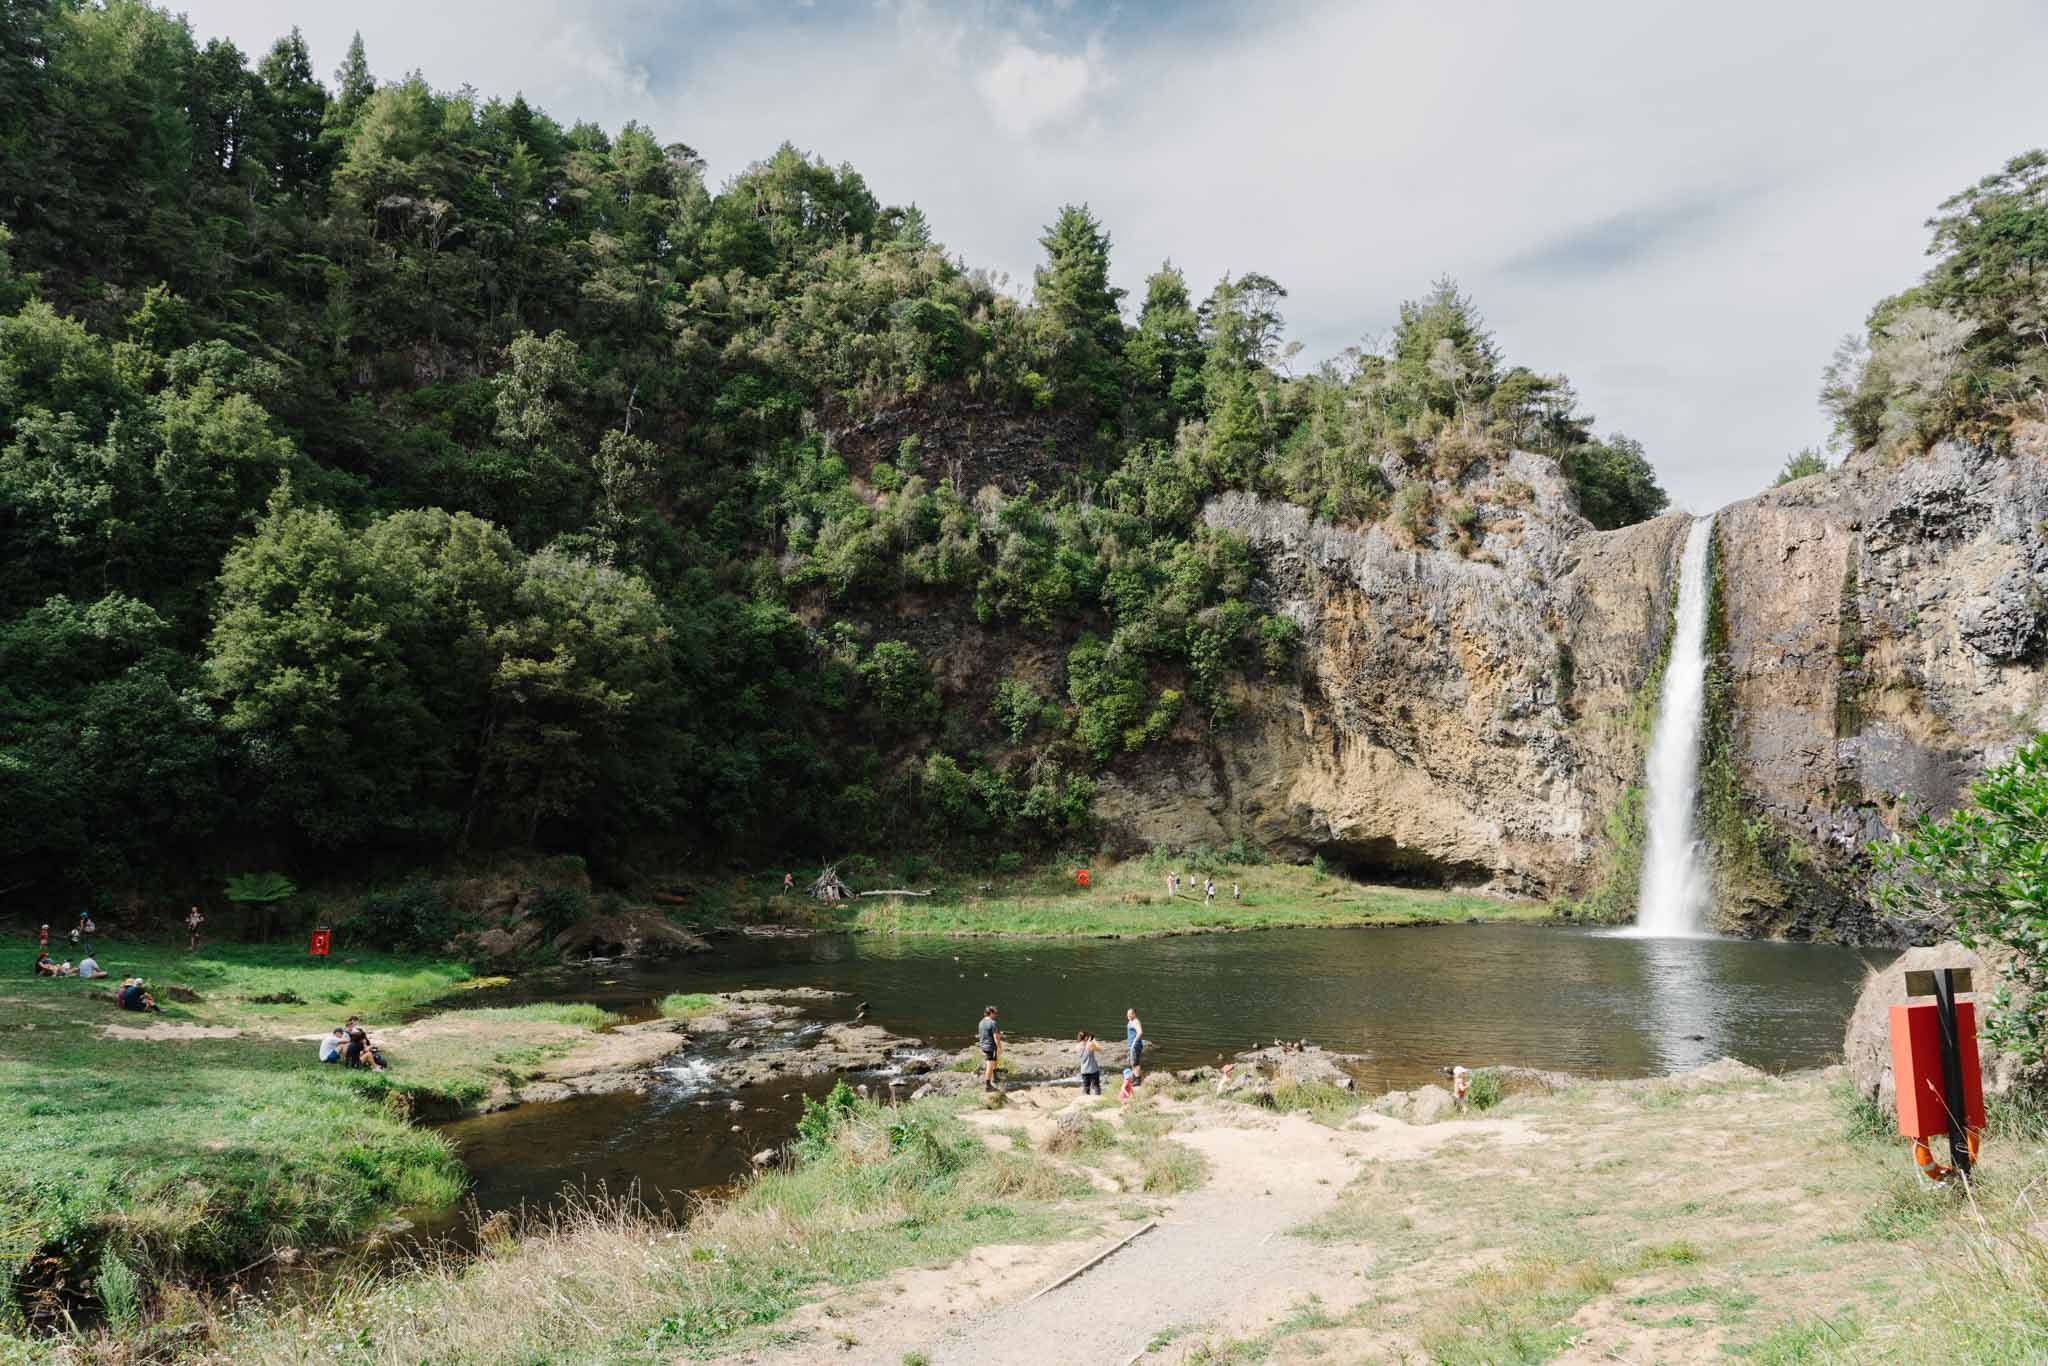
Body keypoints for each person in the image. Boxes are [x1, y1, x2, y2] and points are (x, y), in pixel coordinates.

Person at [976, 1005, 1001, 1092]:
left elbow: (981, 1035)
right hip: (991, 1047)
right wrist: (999, 1047)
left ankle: (995, 1077)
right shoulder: (993, 1023)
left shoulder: (981, 1022)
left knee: (994, 1060)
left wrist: (981, 1046)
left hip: (984, 1046)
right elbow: (996, 1037)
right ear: (990, 1013)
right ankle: (988, 1085)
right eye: (995, 1013)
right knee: (989, 1065)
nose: (996, 1015)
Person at [1077, 1031, 1103, 1095]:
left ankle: (1086, 1099)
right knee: (1096, 1086)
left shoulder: (1077, 1046)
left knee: (1086, 1087)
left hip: (1084, 1070)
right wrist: (1094, 1041)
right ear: (1085, 1037)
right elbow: (1100, 1049)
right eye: (1087, 1036)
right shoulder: (1090, 1045)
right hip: (1093, 1069)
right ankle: (1097, 1099)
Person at [1125, 1007, 1145, 1075]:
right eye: (1127, 1014)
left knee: (1135, 1063)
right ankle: (1135, 1078)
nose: (1128, 1015)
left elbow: (1140, 1032)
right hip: (1131, 1045)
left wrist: (1134, 1042)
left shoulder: (1135, 1021)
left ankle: (1137, 1080)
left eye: (1130, 1014)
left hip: (1135, 1045)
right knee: (1133, 1063)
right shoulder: (1131, 1021)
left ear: (1134, 1014)